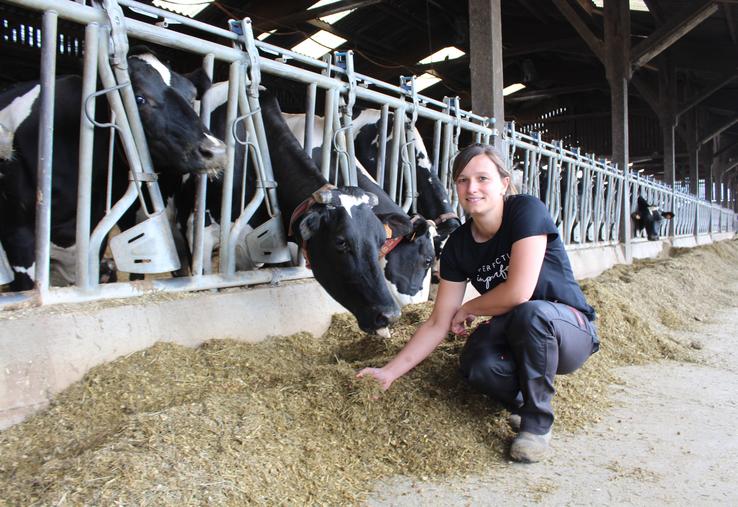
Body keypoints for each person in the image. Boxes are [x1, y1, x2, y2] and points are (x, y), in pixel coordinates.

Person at [357, 143, 599, 463]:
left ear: (503, 183)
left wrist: (470, 308)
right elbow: (437, 321)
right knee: (476, 361)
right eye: (462, 180)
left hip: (568, 330)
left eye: (483, 178)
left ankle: (536, 426)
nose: (472, 188)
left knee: (531, 313)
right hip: (514, 333)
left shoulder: (525, 211)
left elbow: (518, 293)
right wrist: (389, 372)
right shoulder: (458, 244)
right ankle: (524, 402)